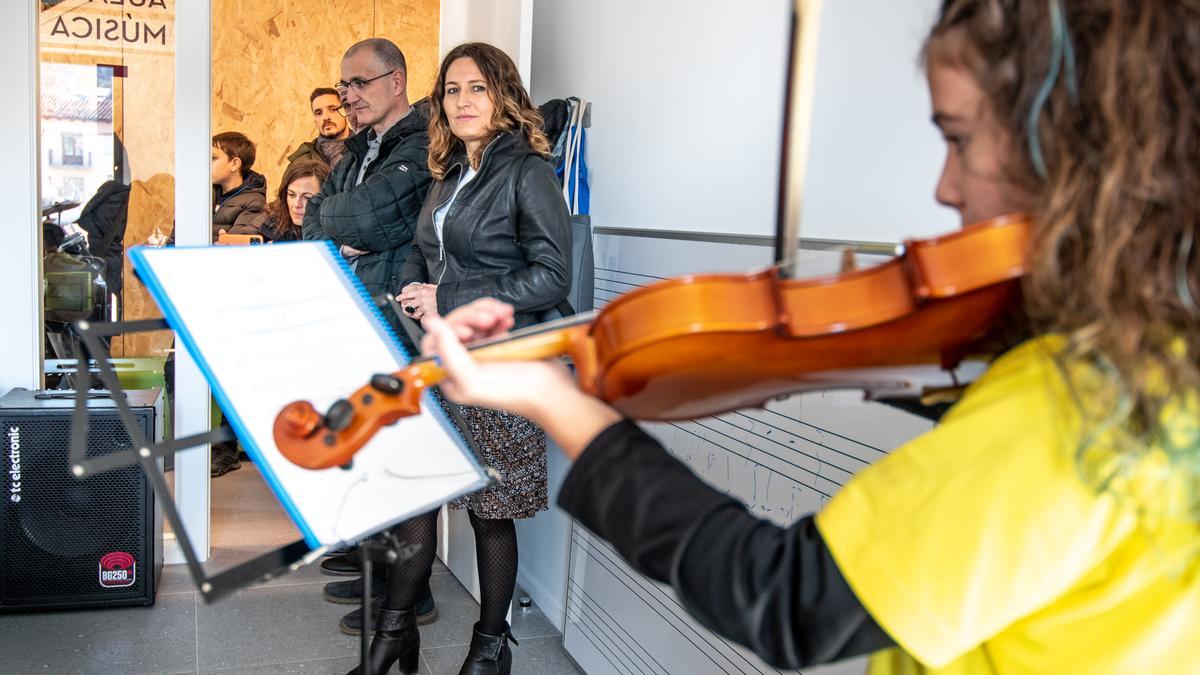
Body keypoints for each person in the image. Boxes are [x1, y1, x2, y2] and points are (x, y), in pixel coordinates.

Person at [419, 2, 1200, 673]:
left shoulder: (1075, 407)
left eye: (958, 138)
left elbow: (782, 596)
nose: (944, 186)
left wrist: (561, 402)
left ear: (1081, 155)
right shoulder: (1162, 363)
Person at [354, 42, 571, 675]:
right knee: (419, 493)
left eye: (476, 88)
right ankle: (394, 634)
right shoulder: (450, 172)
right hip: (444, 360)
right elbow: (430, 248)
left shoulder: (527, 170)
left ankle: (489, 648)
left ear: (503, 95)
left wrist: (446, 294)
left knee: (489, 514)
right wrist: (414, 290)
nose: (462, 101)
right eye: (451, 90)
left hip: (503, 363)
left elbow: (552, 277)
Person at [301, 38, 432, 301]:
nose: (350, 96)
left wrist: (325, 210)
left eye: (360, 83)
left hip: (393, 316)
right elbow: (309, 217)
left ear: (397, 82)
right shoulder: (355, 152)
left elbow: (365, 217)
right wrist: (341, 246)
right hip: (349, 308)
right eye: (345, 86)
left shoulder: (426, 145)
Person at [239, 159, 330, 242]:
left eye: (307, 197)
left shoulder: (337, 226)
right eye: (291, 194)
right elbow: (245, 238)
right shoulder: (275, 213)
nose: (296, 204)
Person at [211, 131, 267, 242]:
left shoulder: (255, 203)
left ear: (235, 164)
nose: (205, 163)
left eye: (213, 158)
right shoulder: (204, 192)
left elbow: (234, 249)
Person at [287, 87, 352, 170]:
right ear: (315, 120)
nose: (325, 117)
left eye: (332, 109)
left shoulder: (366, 148)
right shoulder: (303, 162)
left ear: (345, 111)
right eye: (319, 113)